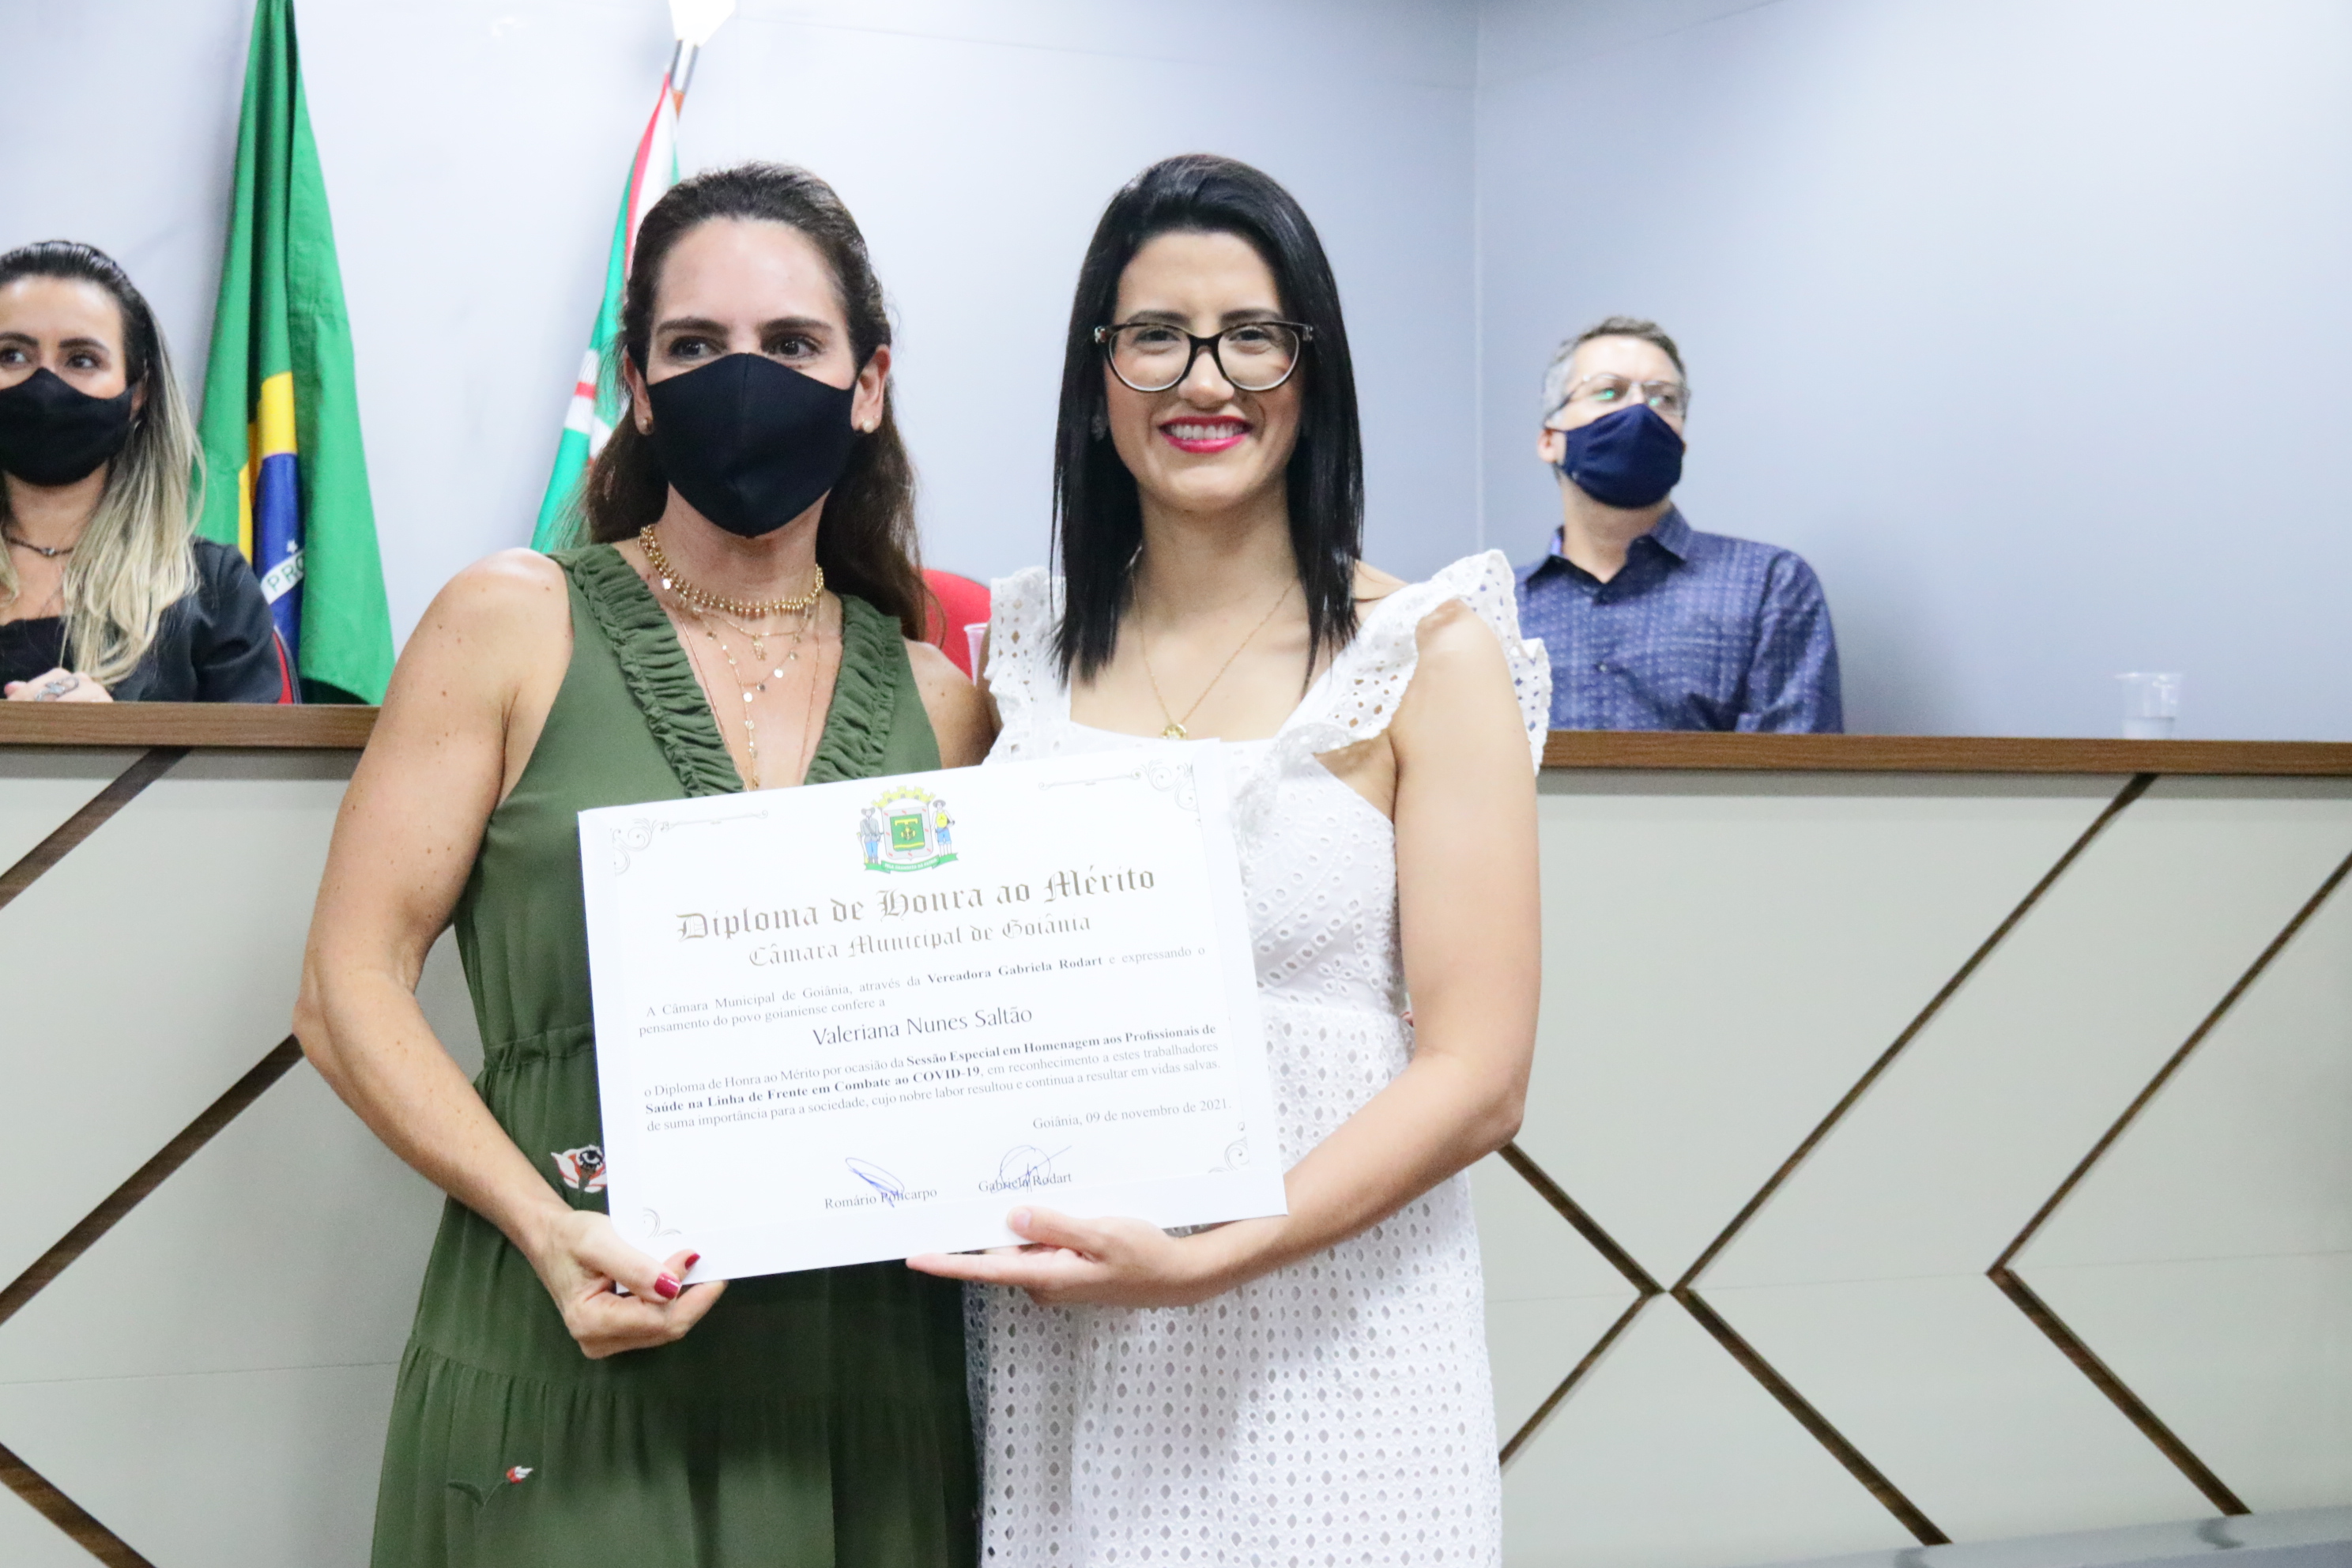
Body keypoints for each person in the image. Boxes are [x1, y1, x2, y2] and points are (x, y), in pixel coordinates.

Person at [292, 164, 987, 1566]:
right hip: (565, 1340)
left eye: (792, 344)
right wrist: (547, 1229)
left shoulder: (947, 702)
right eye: (695, 345)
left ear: (868, 385)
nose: (746, 379)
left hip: (864, 1375)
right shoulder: (511, 620)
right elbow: (345, 988)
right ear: (640, 387)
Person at [909, 154, 1546, 1566]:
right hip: (1069, 1347)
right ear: (1097, 375)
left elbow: (1479, 1075)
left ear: (1313, 371)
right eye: (1156, 336)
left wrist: (1208, 1259)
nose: (1206, 380)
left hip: (1335, 1341)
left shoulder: (1428, 653)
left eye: (1252, 335)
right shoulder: (1017, 654)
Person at [1517, 316, 1841, 732]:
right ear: (1550, 440)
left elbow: (1791, 766)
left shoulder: (1769, 586)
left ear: (1682, 442)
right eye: (1609, 391)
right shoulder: (1487, 611)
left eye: (1663, 399)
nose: (1639, 411)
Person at [0, 241, 287, 703]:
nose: (45, 384)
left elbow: (253, 751)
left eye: (82, 360)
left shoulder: (213, 589)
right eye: (12, 355)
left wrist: (109, 737)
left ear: (138, 394)